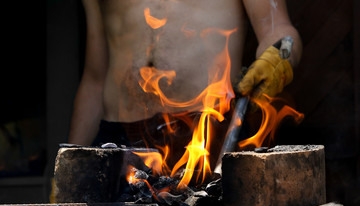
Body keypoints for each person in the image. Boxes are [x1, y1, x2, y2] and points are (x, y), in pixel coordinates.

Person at [68, 0, 302, 169]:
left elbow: (279, 31)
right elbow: (95, 79)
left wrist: (278, 58)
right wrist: (69, 163)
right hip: (118, 142)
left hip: (208, 135)